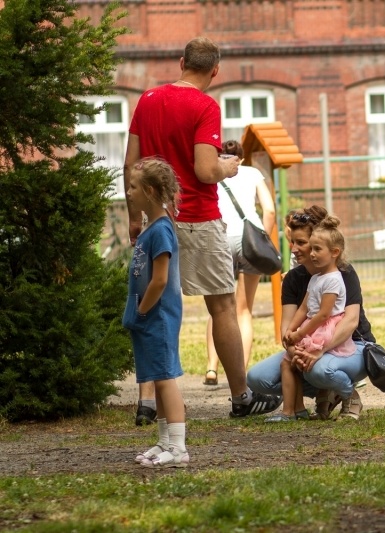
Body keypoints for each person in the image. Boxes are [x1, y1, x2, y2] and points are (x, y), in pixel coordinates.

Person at [124, 37, 280, 420]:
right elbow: (203, 170)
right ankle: (242, 397)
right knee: (223, 305)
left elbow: (131, 164)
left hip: (156, 219)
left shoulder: (146, 100)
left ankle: (147, 402)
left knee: (156, 308)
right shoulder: (205, 105)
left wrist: (133, 216)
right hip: (197, 217)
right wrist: (229, 167)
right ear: (215, 71)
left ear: (181, 62)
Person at [247, 206, 374, 421]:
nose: (294, 248)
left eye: (301, 243)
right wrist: (293, 346)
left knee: (318, 370)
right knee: (257, 378)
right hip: (308, 341)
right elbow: (288, 324)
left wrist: (319, 350)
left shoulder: (342, 273)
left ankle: (345, 392)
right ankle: (310, 399)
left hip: (348, 345)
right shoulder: (294, 279)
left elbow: (350, 321)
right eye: (292, 242)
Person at [122, 158, 188, 467]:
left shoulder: (161, 231)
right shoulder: (151, 229)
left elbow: (160, 279)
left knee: (164, 379)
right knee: (155, 375)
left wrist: (142, 311)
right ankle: (164, 441)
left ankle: (178, 448)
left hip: (157, 317)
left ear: (149, 191)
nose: (128, 192)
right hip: (147, 318)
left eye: (133, 187)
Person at [268, 216, 356, 422]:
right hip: (310, 327)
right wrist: (291, 331)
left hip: (324, 329)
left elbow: (323, 314)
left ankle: (347, 393)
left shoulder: (335, 279)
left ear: (334, 253)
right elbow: (304, 308)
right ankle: (293, 410)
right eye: (312, 249)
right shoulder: (316, 278)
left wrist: (300, 333)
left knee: (309, 366)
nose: (312, 254)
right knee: (287, 362)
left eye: (316, 249)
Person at [204, 140, 276, 386]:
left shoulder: (212, 172)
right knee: (244, 310)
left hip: (220, 238)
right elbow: (270, 210)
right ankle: (240, 373)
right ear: (241, 159)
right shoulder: (253, 172)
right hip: (249, 241)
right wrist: (263, 239)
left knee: (218, 308)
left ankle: (211, 368)